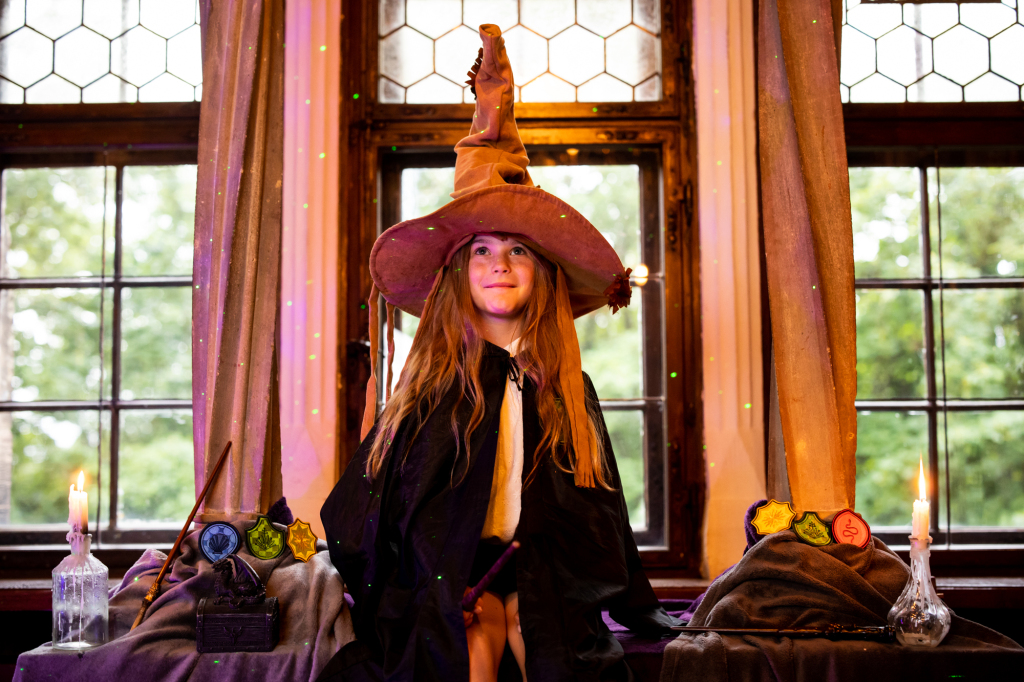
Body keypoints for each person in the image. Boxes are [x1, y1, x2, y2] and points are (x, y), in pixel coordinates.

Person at [318, 24, 680, 682]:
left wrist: (579, 597)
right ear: (457, 274)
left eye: (518, 251)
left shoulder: (568, 390)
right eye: (481, 251)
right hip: (443, 587)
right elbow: (368, 517)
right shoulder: (427, 391)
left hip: (545, 585)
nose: (499, 265)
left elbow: (599, 517)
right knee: (472, 642)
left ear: (543, 272)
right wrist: (428, 589)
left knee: (536, 639)